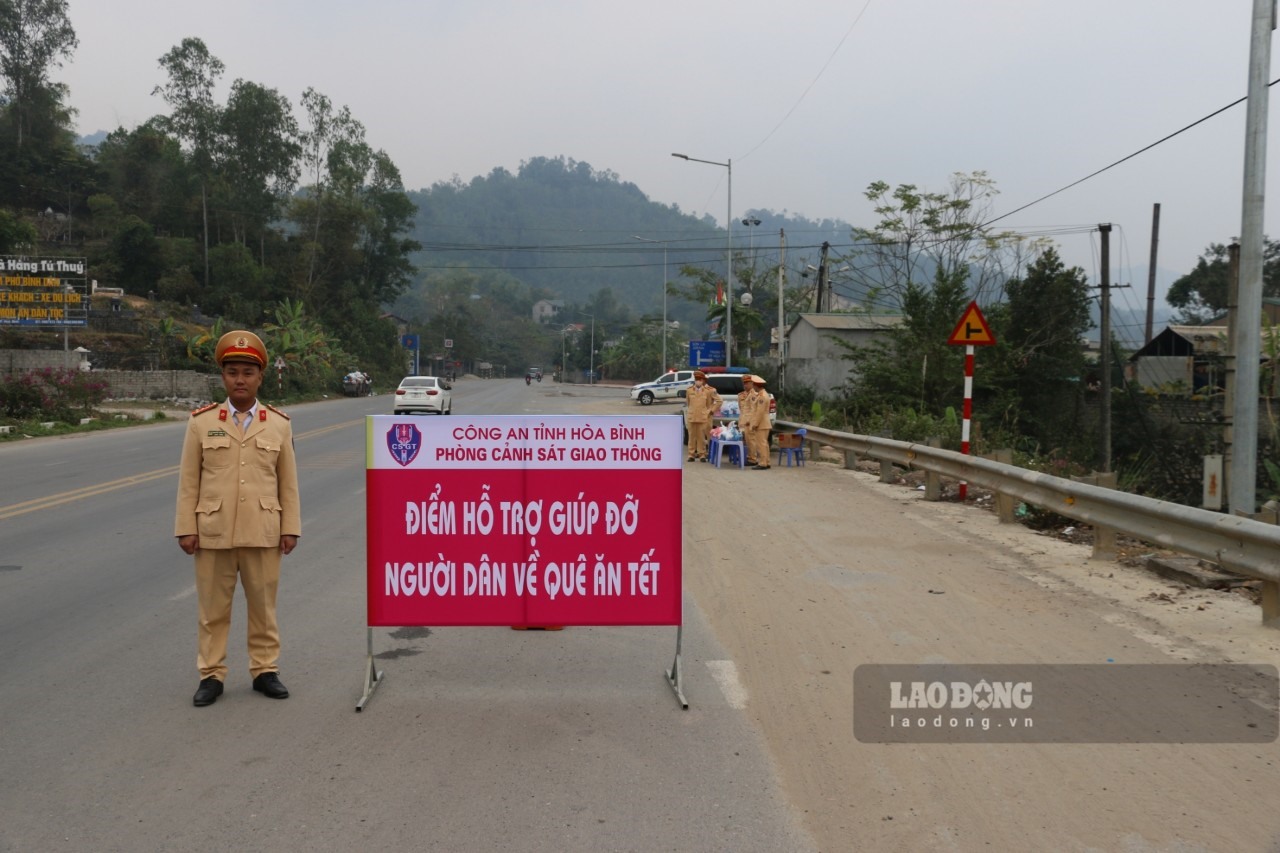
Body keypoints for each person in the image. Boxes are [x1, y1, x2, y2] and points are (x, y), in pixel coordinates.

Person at [175, 330, 301, 707]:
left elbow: (288, 482)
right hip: (212, 531)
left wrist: (290, 528)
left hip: (263, 530)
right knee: (212, 610)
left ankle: (265, 671)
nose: (240, 379)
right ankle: (211, 675)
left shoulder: (278, 424)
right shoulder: (201, 422)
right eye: (232, 371)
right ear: (223, 377)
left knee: (264, 607)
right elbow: (188, 479)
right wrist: (186, 528)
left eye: (248, 371)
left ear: (261, 377)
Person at [685, 370, 721, 462]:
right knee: (691, 436)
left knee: (701, 437)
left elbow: (718, 401)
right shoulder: (689, 390)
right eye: (696, 379)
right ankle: (691, 455)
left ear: (703, 380)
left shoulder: (708, 391)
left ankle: (702, 454)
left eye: (699, 379)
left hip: (703, 417)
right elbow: (688, 403)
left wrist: (711, 411)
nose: (697, 381)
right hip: (692, 416)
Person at [747, 375, 772, 470]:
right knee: (764, 444)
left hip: (761, 424)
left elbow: (759, 413)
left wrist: (755, 424)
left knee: (761, 444)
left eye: (754, 385)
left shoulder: (762, 397)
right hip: (764, 423)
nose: (753, 387)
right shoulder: (763, 395)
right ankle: (767, 461)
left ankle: (762, 463)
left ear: (757, 386)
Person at [737, 378, 757, 466]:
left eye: (747, 383)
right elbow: (742, 409)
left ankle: (752, 459)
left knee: (751, 440)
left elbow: (755, 410)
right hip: (742, 420)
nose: (745, 385)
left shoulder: (755, 395)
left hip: (750, 422)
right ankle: (744, 457)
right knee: (743, 440)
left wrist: (752, 421)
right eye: (744, 384)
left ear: (752, 384)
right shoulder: (741, 395)